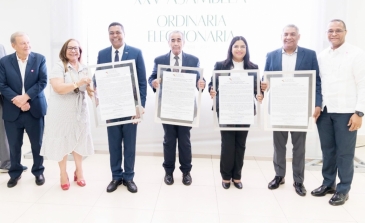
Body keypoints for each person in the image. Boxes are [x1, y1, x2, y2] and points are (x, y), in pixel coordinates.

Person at [260, 24, 322, 196]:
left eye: (292, 34)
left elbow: (316, 81)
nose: (289, 37)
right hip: (279, 108)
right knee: (279, 145)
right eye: (286, 34)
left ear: (298, 36)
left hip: (300, 108)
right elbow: (265, 79)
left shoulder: (309, 55)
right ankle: (279, 176)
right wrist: (263, 85)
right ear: (281, 36)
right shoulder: (271, 55)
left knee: (299, 147)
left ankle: (298, 180)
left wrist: (317, 104)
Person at [311, 19, 365, 206]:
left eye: (338, 31)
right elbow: (318, 83)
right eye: (330, 31)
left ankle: (343, 190)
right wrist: (317, 105)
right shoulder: (322, 55)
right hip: (325, 112)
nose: (334, 34)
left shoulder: (357, 54)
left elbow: (363, 84)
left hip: (346, 112)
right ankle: (328, 184)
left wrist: (359, 112)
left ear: (345, 32)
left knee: (344, 153)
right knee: (328, 151)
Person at [148, 30, 205, 186]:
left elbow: (200, 80)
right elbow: (152, 77)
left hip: (185, 108)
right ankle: (168, 172)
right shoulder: (159, 60)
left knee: (185, 142)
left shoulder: (193, 60)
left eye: (179, 40)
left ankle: (186, 172)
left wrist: (202, 83)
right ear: (168, 43)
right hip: (167, 108)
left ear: (183, 42)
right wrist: (154, 82)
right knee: (169, 141)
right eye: (172, 40)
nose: (175, 43)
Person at [97, 22, 147, 193]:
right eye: (111, 33)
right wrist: (96, 91)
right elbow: (98, 77)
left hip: (130, 108)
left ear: (124, 34)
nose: (115, 35)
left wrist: (140, 106)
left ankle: (129, 177)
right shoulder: (102, 54)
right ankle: (116, 176)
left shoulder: (135, 52)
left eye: (118, 32)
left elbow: (141, 82)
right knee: (114, 144)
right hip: (111, 108)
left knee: (130, 145)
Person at [40, 39, 94, 190]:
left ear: (80, 51)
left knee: (79, 140)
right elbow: (58, 88)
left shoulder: (85, 68)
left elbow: (89, 89)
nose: (73, 51)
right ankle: (63, 174)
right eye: (70, 48)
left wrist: (95, 93)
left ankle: (79, 171)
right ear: (64, 50)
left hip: (79, 111)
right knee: (62, 141)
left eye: (76, 48)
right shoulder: (59, 66)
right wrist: (77, 83)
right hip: (61, 112)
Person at [208, 36, 259, 189]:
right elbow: (213, 84)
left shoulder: (253, 67)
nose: (239, 49)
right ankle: (225, 176)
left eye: (242, 46)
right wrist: (212, 90)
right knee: (227, 144)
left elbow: (257, 90)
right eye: (236, 46)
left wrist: (260, 94)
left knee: (240, 144)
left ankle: (237, 176)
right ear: (231, 48)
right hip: (226, 110)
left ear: (246, 49)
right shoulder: (220, 65)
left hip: (244, 110)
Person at [0, 32, 47, 188]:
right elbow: (2, 85)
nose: (27, 46)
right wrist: (18, 101)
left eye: (28, 42)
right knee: (14, 144)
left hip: (34, 109)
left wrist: (25, 97)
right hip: (12, 111)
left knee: (37, 144)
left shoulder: (39, 59)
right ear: (13, 46)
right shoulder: (4, 62)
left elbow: (42, 82)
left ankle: (38, 171)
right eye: (23, 43)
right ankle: (15, 173)